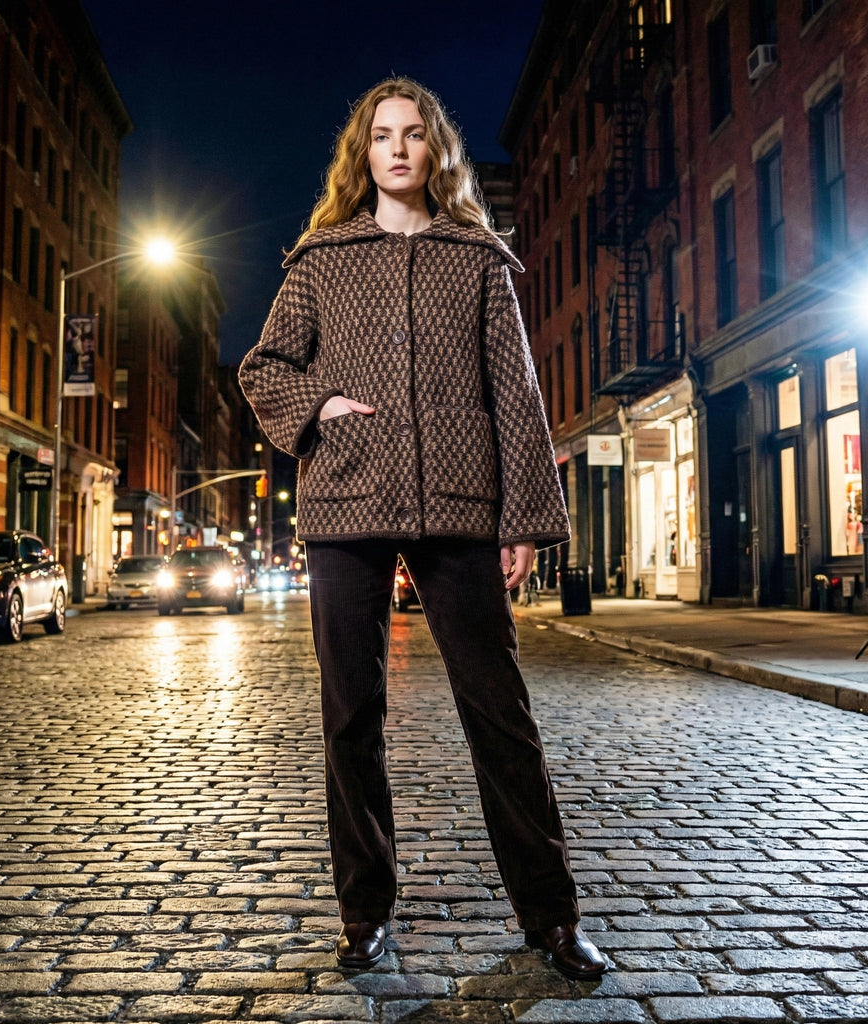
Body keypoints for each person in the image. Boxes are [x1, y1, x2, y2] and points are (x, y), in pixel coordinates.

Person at [239, 77, 605, 981]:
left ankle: (552, 919)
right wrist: (319, 402)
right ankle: (365, 914)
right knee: (351, 715)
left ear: (436, 151)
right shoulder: (320, 259)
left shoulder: (477, 257)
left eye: (413, 135)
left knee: (501, 712)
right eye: (380, 137)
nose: (397, 149)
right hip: (346, 506)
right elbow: (263, 369)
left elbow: (515, 394)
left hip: (460, 510)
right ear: (360, 155)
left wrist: (519, 517)